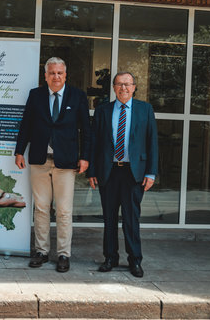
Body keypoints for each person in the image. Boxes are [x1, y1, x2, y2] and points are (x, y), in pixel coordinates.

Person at [15, 57, 90, 272]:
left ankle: (64, 254)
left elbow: (86, 129)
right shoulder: (36, 95)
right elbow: (26, 125)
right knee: (41, 208)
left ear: (65, 75)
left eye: (59, 73)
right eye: (52, 73)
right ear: (45, 76)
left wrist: (85, 156)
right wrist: (19, 151)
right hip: (40, 160)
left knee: (64, 211)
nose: (56, 76)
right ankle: (41, 251)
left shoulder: (77, 96)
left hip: (66, 162)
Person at [88, 72, 158, 278]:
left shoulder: (145, 109)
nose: (123, 88)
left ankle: (135, 260)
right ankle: (110, 258)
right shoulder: (103, 110)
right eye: (119, 84)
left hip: (133, 173)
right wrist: (92, 171)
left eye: (127, 84)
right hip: (108, 171)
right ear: (113, 87)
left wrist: (151, 172)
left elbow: (152, 142)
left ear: (134, 87)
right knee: (109, 218)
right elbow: (94, 143)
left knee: (131, 218)